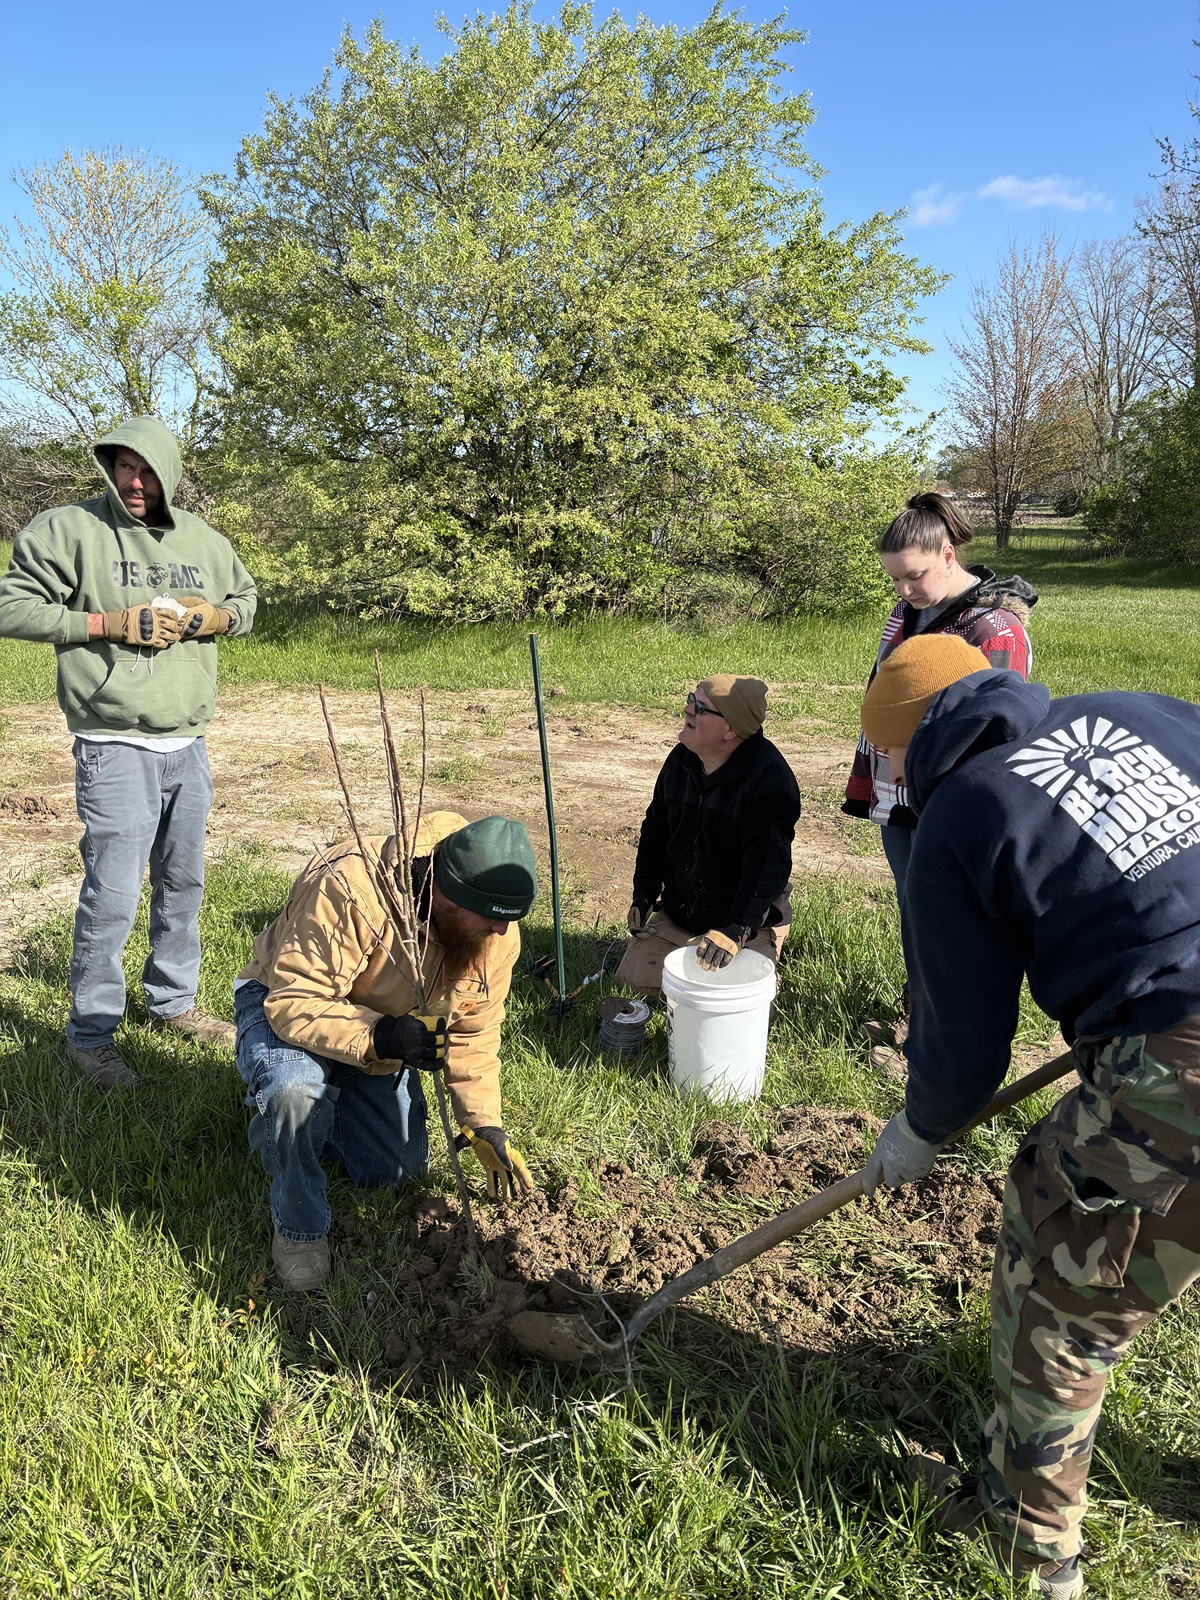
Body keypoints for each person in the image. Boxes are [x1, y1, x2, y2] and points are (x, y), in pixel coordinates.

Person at [857, 634, 1200, 1600]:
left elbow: (964, 1048)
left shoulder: (962, 811)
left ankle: (1030, 1551)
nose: (882, 777)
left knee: (1060, 1282)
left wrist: (919, 1128)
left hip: (1181, 1057)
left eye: (882, 756)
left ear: (915, 738)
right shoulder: (1142, 706)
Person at [0, 416, 257, 1089]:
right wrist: (105, 623)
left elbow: (247, 602)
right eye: (123, 467)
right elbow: (10, 607)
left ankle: (171, 1003)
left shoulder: (202, 538)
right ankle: (91, 1034)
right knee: (113, 892)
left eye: (147, 471)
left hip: (187, 744)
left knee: (183, 882)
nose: (134, 483)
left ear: (167, 473)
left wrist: (212, 617)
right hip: (114, 744)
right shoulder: (69, 530)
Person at [235, 811, 539, 1290]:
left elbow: (474, 1033)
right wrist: (381, 1037)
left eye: (509, 921)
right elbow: (293, 1002)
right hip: (287, 1010)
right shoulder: (352, 887)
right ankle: (298, 1228)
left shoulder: (492, 935)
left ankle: (302, 1117)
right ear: (446, 894)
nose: (501, 934)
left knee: (394, 1172)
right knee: (293, 1089)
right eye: (491, 920)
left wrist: (483, 1124)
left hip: (379, 1037)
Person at [843, 492, 1036, 1051]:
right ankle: (921, 1018)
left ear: (949, 555)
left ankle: (957, 1037)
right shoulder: (907, 613)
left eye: (915, 577)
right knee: (917, 905)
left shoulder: (995, 630)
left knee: (957, 914)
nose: (904, 591)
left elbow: (996, 726)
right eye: (895, 580)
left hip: (952, 798)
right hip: (899, 790)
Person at [615, 675, 801, 993]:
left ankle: (765, 950)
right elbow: (656, 829)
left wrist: (737, 929)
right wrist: (644, 893)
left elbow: (767, 867)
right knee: (631, 984)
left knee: (729, 997)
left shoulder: (770, 781)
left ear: (731, 729)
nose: (688, 709)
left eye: (700, 707)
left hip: (745, 921)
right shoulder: (680, 760)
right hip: (681, 914)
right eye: (692, 698)